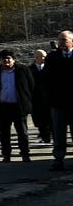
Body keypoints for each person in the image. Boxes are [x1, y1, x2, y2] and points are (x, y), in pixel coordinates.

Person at [0, 49, 33, 162]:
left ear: (14, 59)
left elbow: (31, 86)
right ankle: (6, 155)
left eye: (8, 58)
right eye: (4, 59)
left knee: (22, 132)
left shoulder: (23, 70)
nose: (6, 60)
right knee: (4, 134)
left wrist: (27, 101)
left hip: (19, 107)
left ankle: (25, 154)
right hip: (2, 107)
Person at [44, 30, 73, 171]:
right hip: (58, 103)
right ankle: (59, 159)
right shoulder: (52, 57)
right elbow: (46, 80)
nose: (61, 42)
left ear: (72, 41)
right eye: (60, 40)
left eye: (64, 39)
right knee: (58, 133)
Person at [30, 49, 51, 143]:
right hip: (36, 100)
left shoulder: (50, 68)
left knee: (51, 120)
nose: (45, 58)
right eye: (43, 56)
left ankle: (55, 138)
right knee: (39, 121)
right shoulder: (29, 70)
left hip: (49, 99)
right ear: (36, 58)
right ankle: (45, 137)